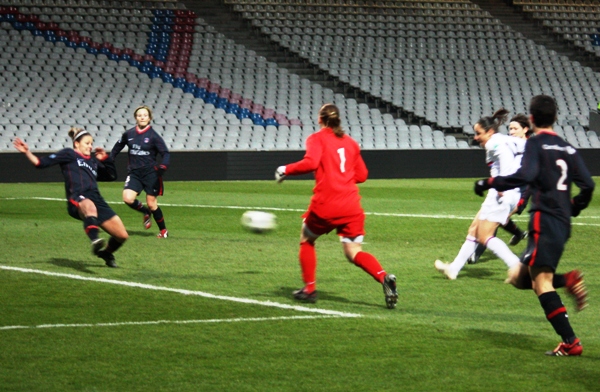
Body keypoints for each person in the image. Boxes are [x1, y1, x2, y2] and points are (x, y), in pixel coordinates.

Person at [474, 95, 595, 356]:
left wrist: (488, 183)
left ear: (531, 119)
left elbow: (524, 176)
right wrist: (573, 207)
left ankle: (571, 342)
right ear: (555, 117)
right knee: (518, 278)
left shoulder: (536, 144)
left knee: (541, 283)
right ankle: (569, 279)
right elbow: (588, 185)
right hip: (561, 223)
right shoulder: (568, 148)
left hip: (545, 220)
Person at [274, 103, 398, 309]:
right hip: (351, 206)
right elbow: (362, 175)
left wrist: (285, 169)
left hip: (326, 204)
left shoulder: (316, 139)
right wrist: (342, 177)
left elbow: (311, 162)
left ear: (320, 119)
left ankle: (310, 289)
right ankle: (384, 278)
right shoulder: (350, 143)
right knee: (353, 251)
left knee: (306, 238)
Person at [13, 127, 129, 267]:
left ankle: (106, 252)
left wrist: (105, 159)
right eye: (87, 143)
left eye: (91, 143)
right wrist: (27, 152)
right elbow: (40, 163)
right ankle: (95, 240)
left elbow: (111, 176)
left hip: (97, 200)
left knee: (122, 236)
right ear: (76, 144)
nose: (90, 146)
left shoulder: (92, 162)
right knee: (89, 206)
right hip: (78, 198)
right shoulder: (69, 154)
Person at [435, 108, 525, 280]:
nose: (476, 137)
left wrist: (502, 185)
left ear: (490, 132)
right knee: (474, 230)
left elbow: (505, 165)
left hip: (502, 193)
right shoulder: (506, 140)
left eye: (478, 133)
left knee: (485, 236)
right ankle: (454, 268)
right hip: (509, 192)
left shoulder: (493, 143)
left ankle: (516, 266)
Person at [468, 113, 530, 264]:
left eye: (515, 128)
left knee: (493, 220)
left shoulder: (529, 148)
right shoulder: (508, 144)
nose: (512, 131)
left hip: (520, 191)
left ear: (525, 130)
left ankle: (515, 259)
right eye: (510, 128)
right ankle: (518, 234)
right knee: (491, 219)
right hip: (505, 188)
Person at [110, 105, 171, 238]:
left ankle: (163, 231)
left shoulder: (154, 136)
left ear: (149, 118)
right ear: (136, 118)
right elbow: (118, 145)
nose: (142, 117)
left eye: (145, 115)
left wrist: (163, 166)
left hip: (151, 174)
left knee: (152, 203)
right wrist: (111, 159)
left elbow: (165, 153)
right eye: (139, 115)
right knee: (127, 198)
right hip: (134, 173)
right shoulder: (129, 134)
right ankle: (145, 212)